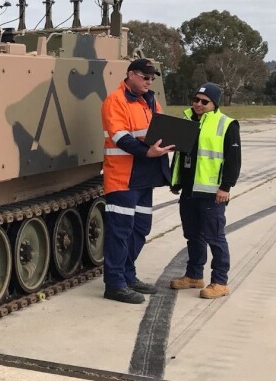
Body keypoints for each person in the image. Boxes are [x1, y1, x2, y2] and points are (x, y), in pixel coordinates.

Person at [101, 58, 173, 304]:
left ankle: (128, 276)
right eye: (145, 77)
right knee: (120, 232)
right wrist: (148, 152)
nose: (149, 82)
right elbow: (120, 137)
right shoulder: (116, 101)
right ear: (131, 75)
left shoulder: (151, 101)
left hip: (145, 177)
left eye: (152, 78)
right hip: (123, 178)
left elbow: (159, 131)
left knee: (140, 229)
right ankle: (114, 284)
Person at [169, 82, 240, 299]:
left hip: (212, 193)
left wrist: (225, 187)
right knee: (193, 236)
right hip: (189, 190)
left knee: (215, 237)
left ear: (214, 104)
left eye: (204, 102)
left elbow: (233, 160)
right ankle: (194, 276)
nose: (198, 104)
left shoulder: (226, 124)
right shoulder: (187, 121)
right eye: (196, 100)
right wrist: (175, 180)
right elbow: (180, 154)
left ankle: (220, 281)